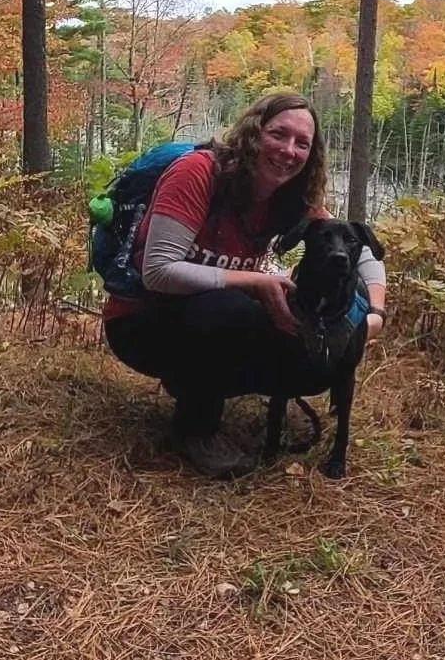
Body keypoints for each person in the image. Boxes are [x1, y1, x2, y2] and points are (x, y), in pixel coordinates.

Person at [103, 89, 387, 477]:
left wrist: (375, 311)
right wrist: (254, 281)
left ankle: (196, 382)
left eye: (302, 143)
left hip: (203, 317)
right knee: (230, 307)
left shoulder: (289, 198)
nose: (289, 150)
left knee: (312, 364)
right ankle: (195, 428)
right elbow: (159, 271)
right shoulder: (199, 172)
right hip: (140, 320)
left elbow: (361, 247)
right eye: (278, 134)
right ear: (254, 132)